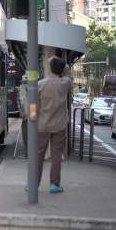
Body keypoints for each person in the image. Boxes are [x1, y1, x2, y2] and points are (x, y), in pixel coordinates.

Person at [37, 56, 73, 194]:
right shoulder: (64, 83)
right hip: (59, 125)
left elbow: (32, 105)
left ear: (50, 68)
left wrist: (33, 118)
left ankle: (33, 184)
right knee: (56, 155)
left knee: (38, 155)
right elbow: (68, 74)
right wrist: (64, 66)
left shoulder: (40, 84)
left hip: (42, 125)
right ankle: (54, 184)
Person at [17, 74, 29, 157]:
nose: (25, 84)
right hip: (24, 115)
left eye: (27, 82)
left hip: (32, 115)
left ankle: (32, 152)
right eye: (24, 82)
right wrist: (21, 112)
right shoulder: (20, 89)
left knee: (33, 135)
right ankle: (27, 153)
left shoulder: (35, 88)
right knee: (25, 135)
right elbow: (18, 102)